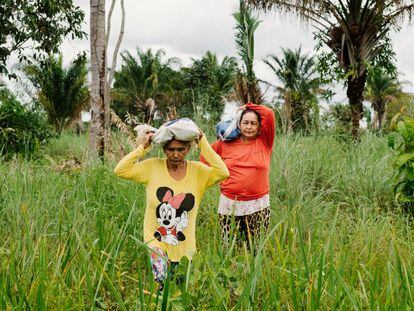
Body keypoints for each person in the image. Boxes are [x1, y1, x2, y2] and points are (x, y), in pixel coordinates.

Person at [114, 130, 229, 289]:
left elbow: (223, 172)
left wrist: (203, 143)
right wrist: (142, 148)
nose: (175, 154)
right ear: (164, 149)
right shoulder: (152, 166)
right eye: (170, 149)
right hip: (156, 243)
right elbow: (120, 170)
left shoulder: (198, 171)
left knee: (182, 292)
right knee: (161, 288)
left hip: (185, 247)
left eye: (180, 149)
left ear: (188, 149)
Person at [201, 102, 275, 248]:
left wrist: (249, 106)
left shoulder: (265, 141)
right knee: (230, 246)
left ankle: (252, 271)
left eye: (253, 123)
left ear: (260, 127)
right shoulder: (225, 143)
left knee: (256, 247)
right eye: (245, 122)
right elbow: (205, 158)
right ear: (239, 125)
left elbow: (269, 113)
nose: (249, 127)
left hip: (258, 204)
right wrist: (216, 179)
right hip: (229, 203)